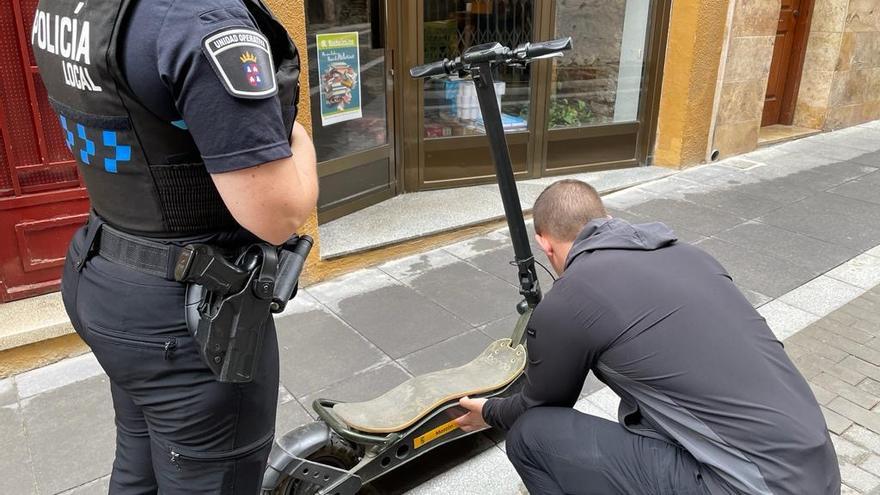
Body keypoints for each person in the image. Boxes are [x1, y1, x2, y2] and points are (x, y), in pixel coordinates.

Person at [32, 0, 318, 492]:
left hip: (103, 271)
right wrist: (298, 137)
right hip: (186, 318)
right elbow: (278, 215)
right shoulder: (201, 19)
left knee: (137, 467)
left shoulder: (67, 6)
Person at [455, 179, 840, 494]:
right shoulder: (692, 257)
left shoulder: (571, 298)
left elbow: (539, 404)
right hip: (819, 472)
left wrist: (488, 412)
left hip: (750, 487)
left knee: (530, 435)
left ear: (545, 243)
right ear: (605, 217)